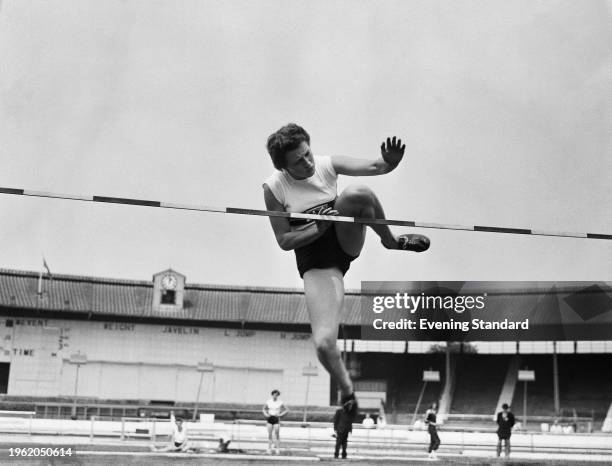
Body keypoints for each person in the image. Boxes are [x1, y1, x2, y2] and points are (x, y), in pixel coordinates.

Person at [263, 124, 430, 417]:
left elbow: (376, 166)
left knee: (358, 193)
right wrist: (318, 226)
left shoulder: (328, 165)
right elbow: (284, 241)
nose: (308, 162)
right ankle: (348, 393)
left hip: (343, 240)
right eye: (298, 161)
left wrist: (389, 162)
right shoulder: (274, 188)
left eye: (307, 153)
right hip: (316, 259)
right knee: (324, 343)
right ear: (284, 168)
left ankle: (391, 241)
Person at [262, 389, 289, 455]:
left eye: (276, 395)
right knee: (270, 434)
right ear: (272, 394)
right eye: (274, 394)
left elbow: (287, 410)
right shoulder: (268, 401)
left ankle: (277, 449)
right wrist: (266, 414)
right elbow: (263, 409)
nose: (275, 396)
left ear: (278, 395)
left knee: (277, 434)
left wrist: (280, 415)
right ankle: (269, 449)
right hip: (270, 418)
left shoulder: (280, 402)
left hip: (276, 418)